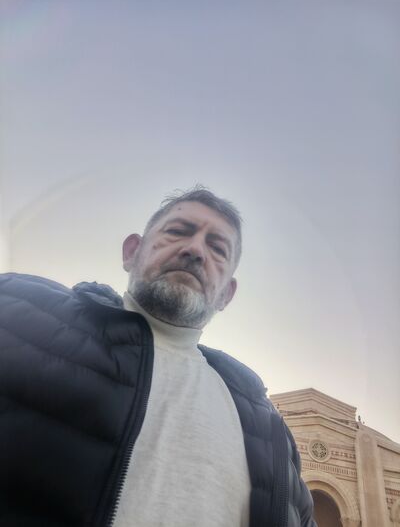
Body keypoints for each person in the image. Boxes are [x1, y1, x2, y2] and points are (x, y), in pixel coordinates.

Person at [0, 186, 316, 527]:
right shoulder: (16, 309)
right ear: (131, 252)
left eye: (217, 248)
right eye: (178, 231)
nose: (195, 250)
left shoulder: (270, 431)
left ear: (227, 293)